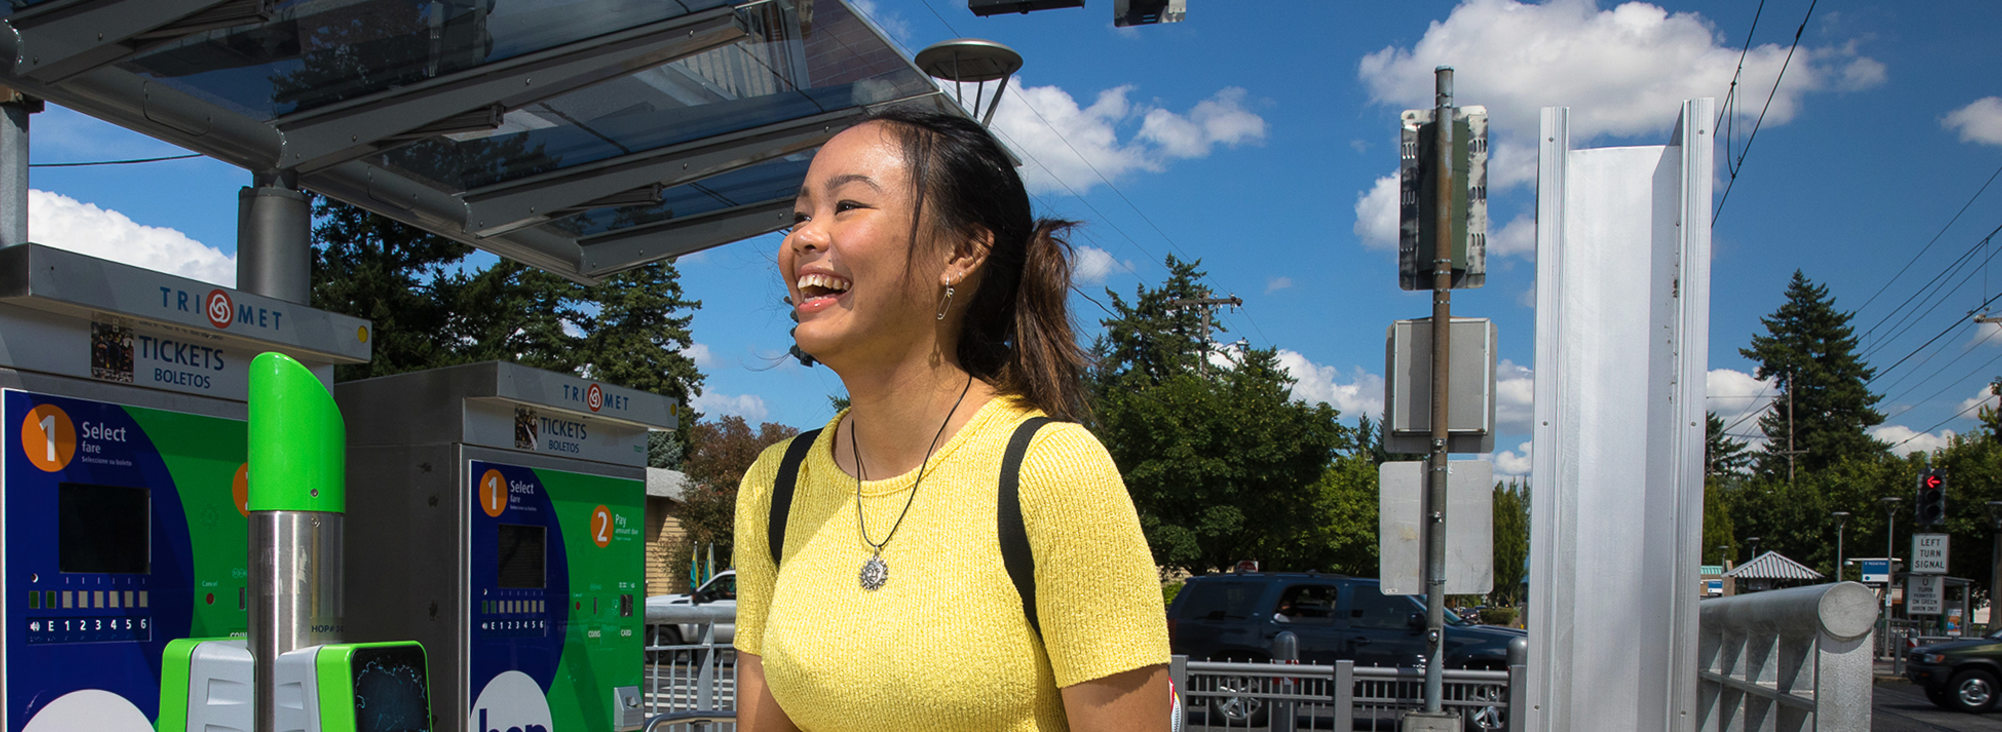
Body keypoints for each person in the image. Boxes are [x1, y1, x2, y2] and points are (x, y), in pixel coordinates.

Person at [731, 107, 1170, 731]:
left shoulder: (1052, 472)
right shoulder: (774, 486)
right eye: (801, 215)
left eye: (847, 206)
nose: (803, 237)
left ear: (961, 253)